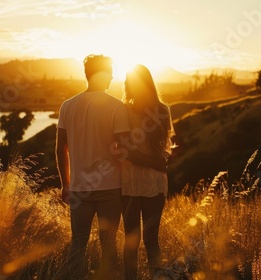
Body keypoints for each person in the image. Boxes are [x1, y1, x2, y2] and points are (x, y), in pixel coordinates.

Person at [55, 55, 165, 280]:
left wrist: (65, 183)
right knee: (109, 246)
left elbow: (60, 149)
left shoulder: (67, 106)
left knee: (78, 245)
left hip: (78, 188)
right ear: (101, 74)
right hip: (111, 188)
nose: (113, 76)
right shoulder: (116, 107)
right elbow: (123, 149)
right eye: (110, 71)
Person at [120, 64, 174, 280]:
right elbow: (159, 154)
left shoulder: (155, 110)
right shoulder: (160, 110)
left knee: (135, 240)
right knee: (150, 241)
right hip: (147, 180)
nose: (125, 84)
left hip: (135, 182)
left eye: (128, 81)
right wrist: (156, 163)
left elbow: (163, 150)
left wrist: (158, 162)